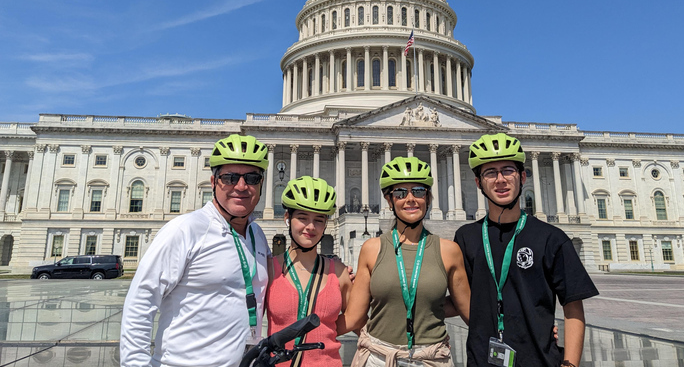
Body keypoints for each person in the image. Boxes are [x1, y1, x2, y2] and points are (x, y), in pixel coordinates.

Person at [120, 134, 271, 367]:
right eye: (229, 177)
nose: (241, 186)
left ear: (261, 184)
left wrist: (336, 275)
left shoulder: (257, 235)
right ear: (213, 182)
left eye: (251, 178)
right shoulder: (185, 229)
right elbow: (141, 301)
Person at [454, 133, 599, 367]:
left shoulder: (551, 238)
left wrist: (570, 364)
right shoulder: (465, 237)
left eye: (507, 170)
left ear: (522, 177)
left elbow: (573, 308)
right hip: (482, 360)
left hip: (538, 360)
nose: (500, 179)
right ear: (478, 183)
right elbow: (459, 298)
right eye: (490, 173)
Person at [339, 156, 471, 367]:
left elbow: (468, 310)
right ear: (390, 200)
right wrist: (304, 329)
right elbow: (354, 316)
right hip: (379, 358)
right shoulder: (372, 249)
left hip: (431, 358)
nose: (410, 198)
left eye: (418, 191)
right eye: (400, 193)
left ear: (428, 198)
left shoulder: (449, 251)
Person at [266, 176, 353, 367]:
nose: (311, 227)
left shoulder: (338, 271)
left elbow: (356, 317)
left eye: (319, 220)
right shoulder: (269, 269)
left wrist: (325, 329)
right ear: (287, 218)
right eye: (303, 218)